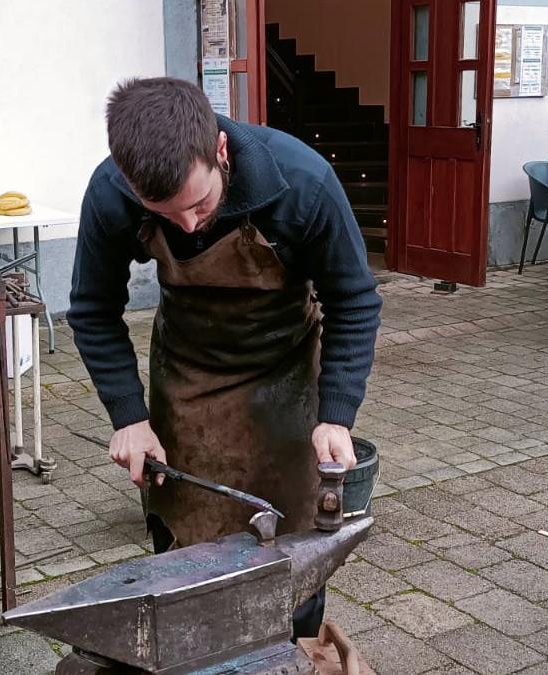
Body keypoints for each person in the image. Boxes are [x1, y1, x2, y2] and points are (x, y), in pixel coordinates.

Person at [67, 77, 382, 637]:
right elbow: (93, 309)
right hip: (186, 379)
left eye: (199, 204)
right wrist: (129, 417)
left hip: (283, 378)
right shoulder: (111, 191)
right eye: (166, 214)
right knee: (182, 552)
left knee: (292, 558)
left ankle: (294, 655)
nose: (188, 226)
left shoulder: (303, 183)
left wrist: (336, 414)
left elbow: (354, 300)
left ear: (220, 150)